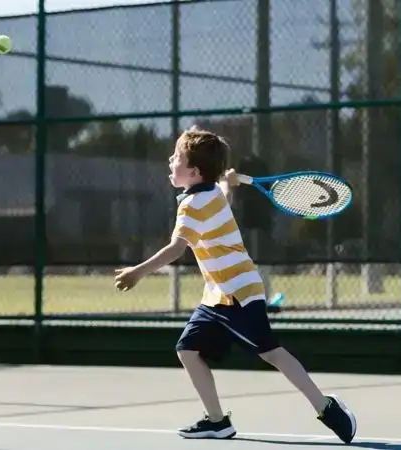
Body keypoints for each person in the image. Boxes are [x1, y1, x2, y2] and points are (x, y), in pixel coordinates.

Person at [113, 126, 357, 444]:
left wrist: (138, 272)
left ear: (194, 171)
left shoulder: (191, 206)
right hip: (217, 296)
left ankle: (328, 409)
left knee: (271, 353)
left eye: (176, 157)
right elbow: (222, 203)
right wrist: (229, 186)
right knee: (188, 350)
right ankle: (217, 421)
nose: (170, 161)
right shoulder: (211, 194)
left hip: (238, 293)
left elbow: (177, 248)